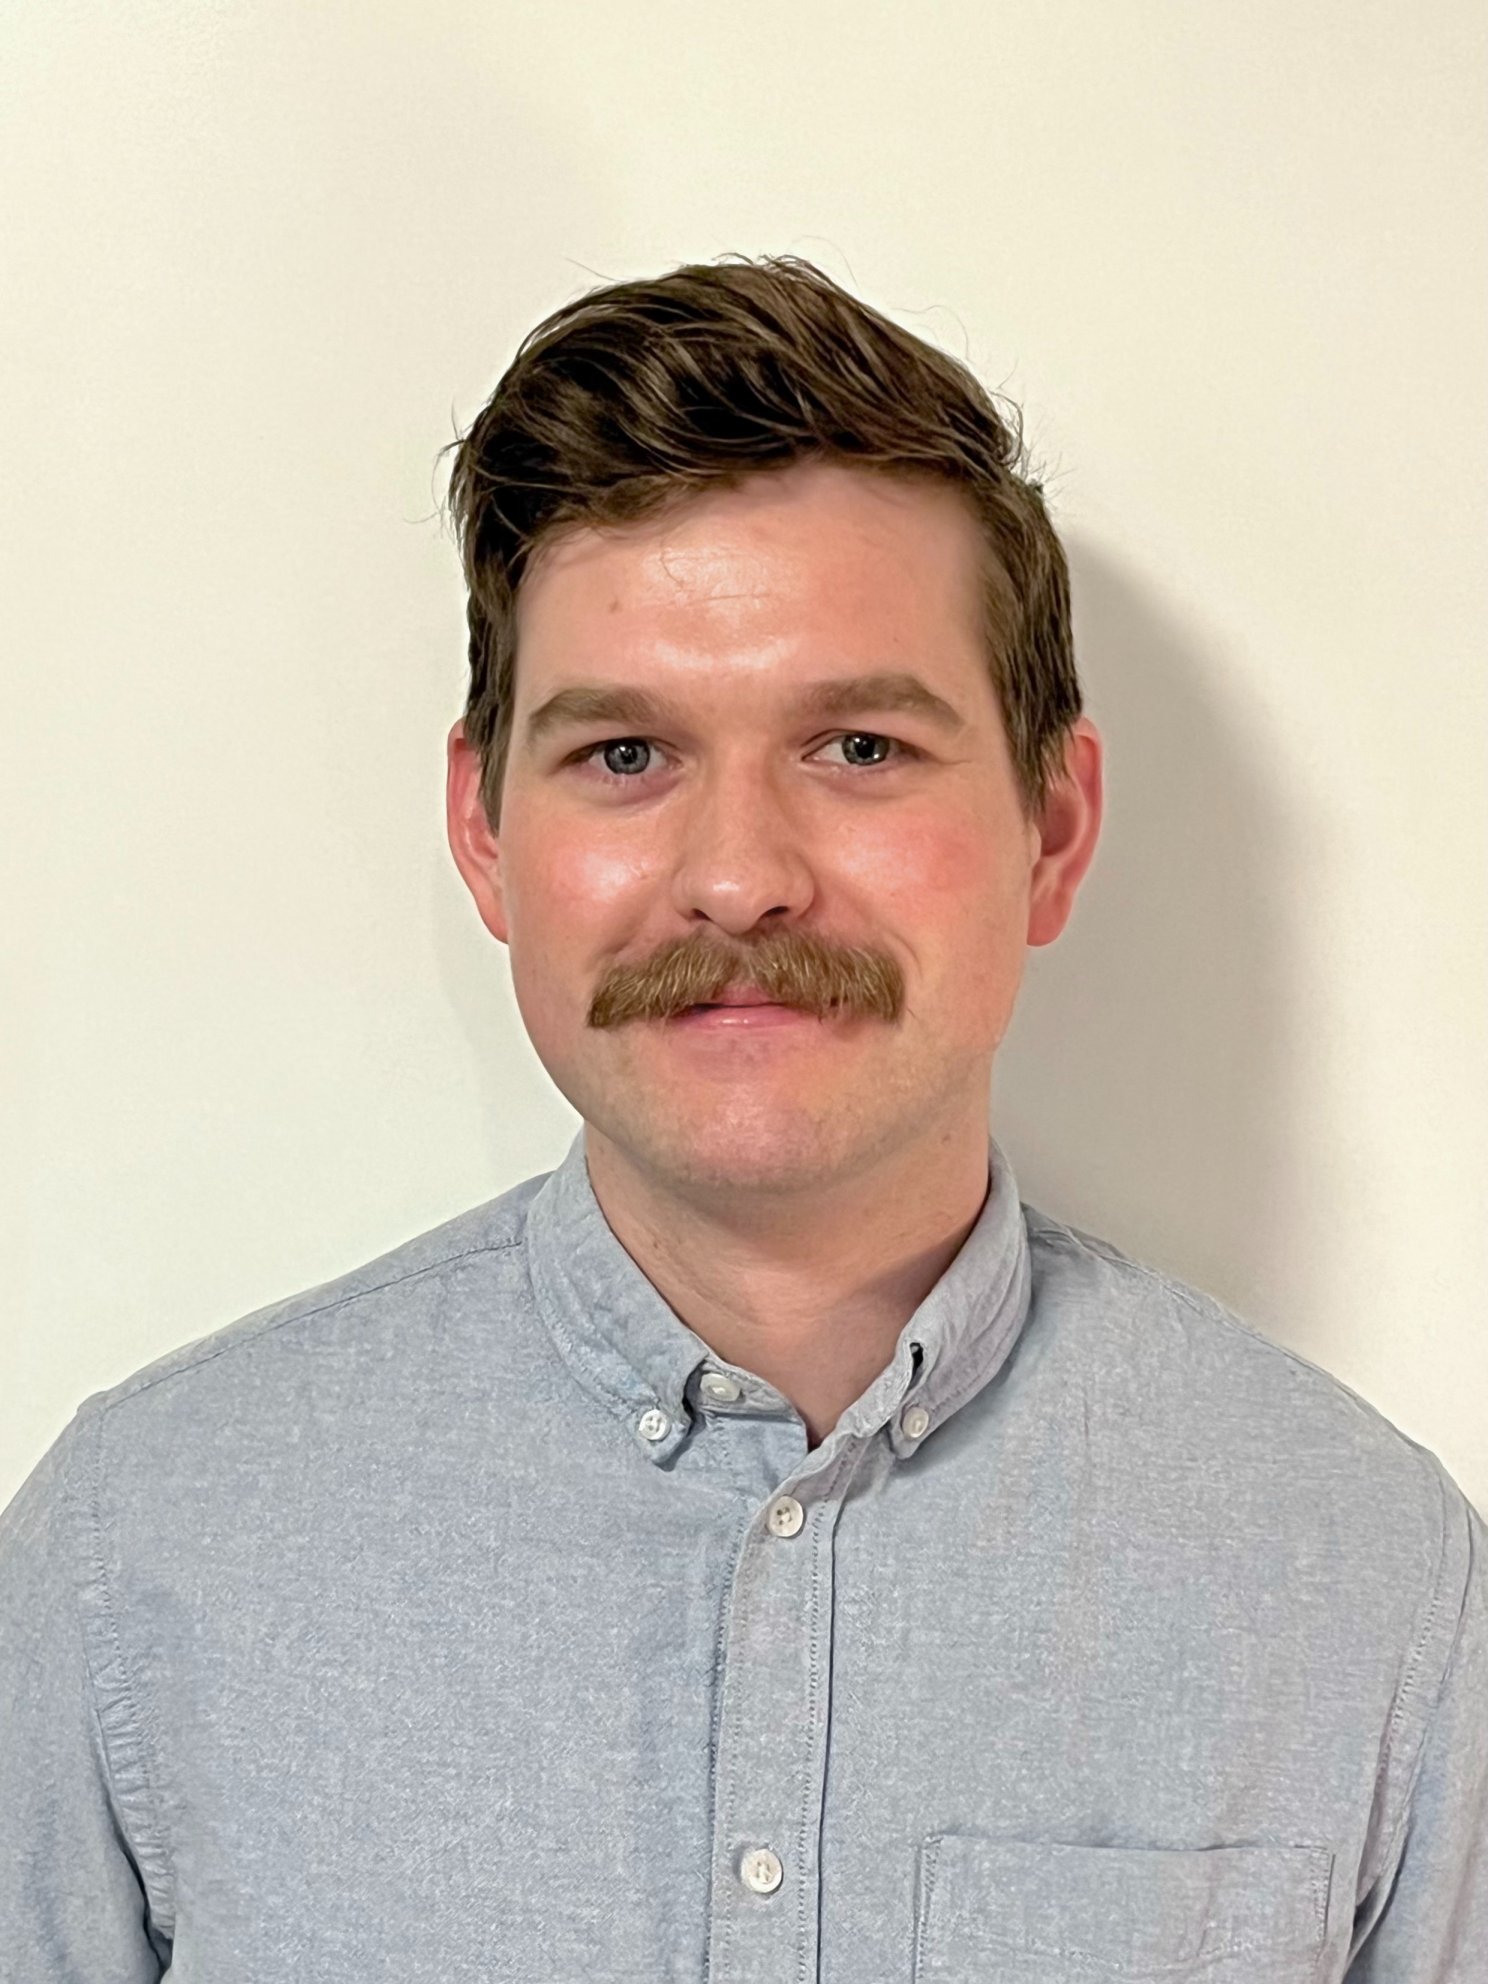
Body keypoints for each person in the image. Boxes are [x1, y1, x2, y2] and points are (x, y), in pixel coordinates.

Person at [1, 255, 1481, 1981]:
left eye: (857, 746)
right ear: (487, 832)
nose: (738, 878)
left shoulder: (1369, 1589)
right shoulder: (140, 1553)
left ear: (1053, 829)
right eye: (625, 755)